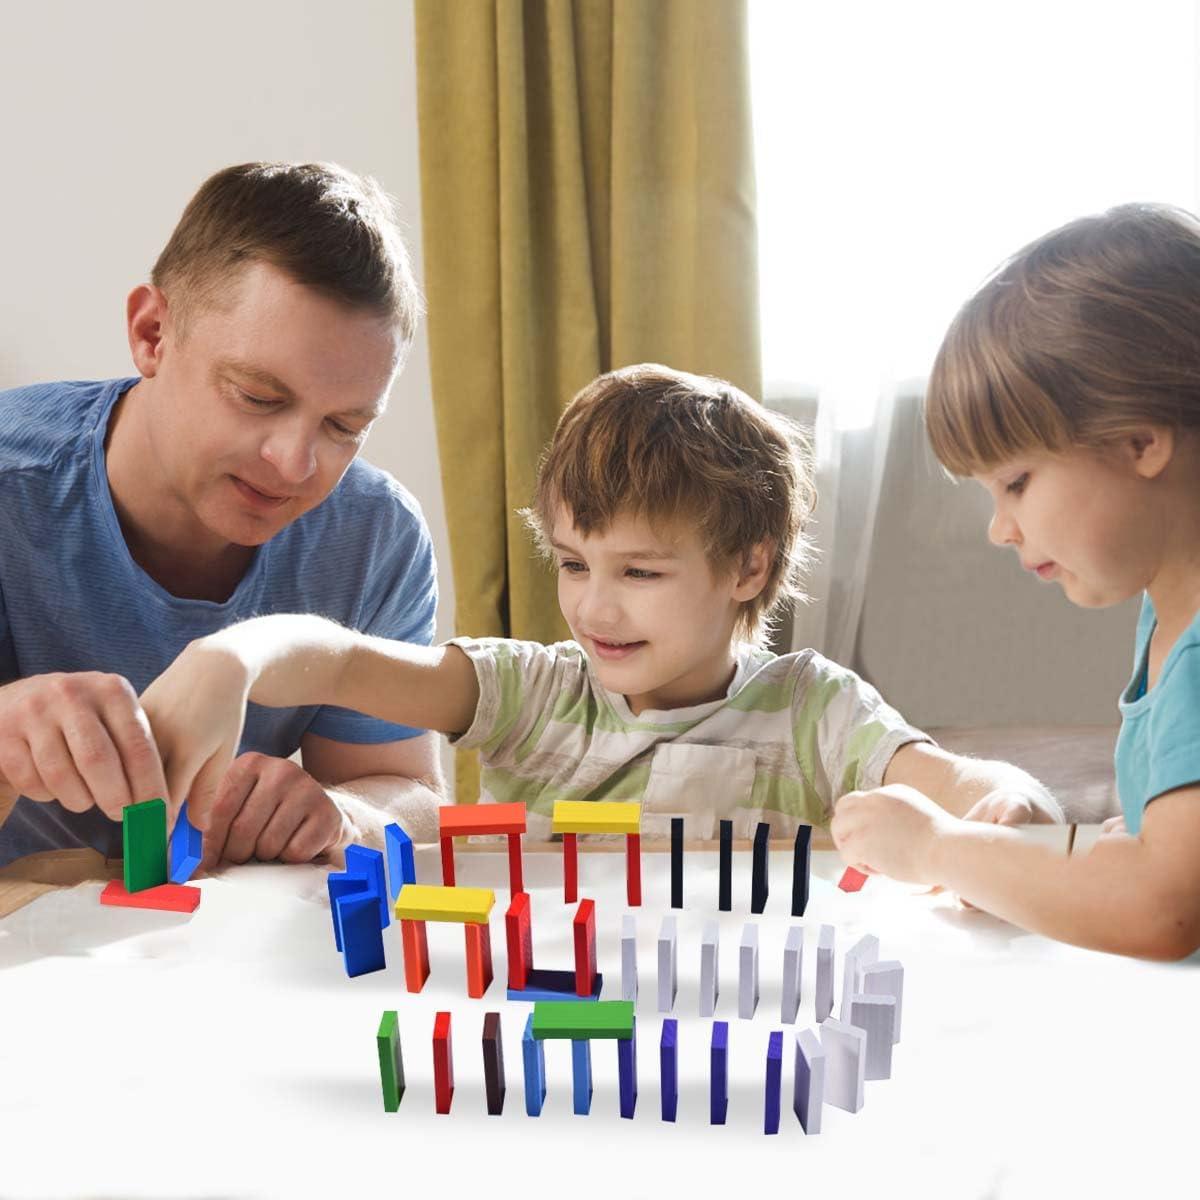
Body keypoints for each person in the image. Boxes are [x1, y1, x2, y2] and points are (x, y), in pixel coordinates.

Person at [138, 363, 1060, 851]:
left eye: (641, 573)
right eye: (574, 564)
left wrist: (1001, 804)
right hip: (539, 1007)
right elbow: (341, 661)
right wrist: (234, 659)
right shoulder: (534, 691)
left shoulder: (815, 709)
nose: (594, 608)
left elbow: (957, 782)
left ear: (748, 566)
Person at [0, 161, 444, 873]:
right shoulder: (10, 491)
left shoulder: (373, 534)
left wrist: (346, 814)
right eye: (259, 397)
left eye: (343, 426)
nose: (294, 463)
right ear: (151, 334)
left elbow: (411, 790)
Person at [831, 202, 1200, 961]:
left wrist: (937, 847)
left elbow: (1159, 915)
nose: (1000, 528)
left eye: (1018, 483)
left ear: (1140, 440)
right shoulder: (1168, 617)